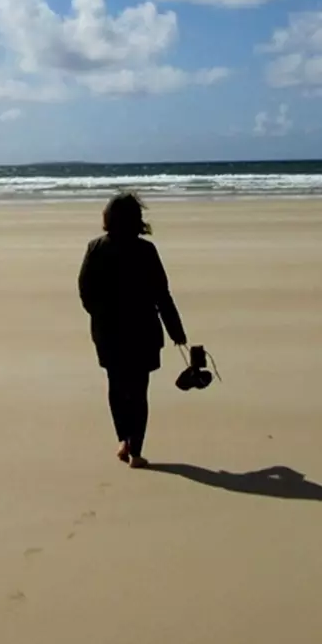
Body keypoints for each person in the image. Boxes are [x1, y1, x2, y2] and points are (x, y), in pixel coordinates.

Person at [77, 191, 188, 469]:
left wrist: (100, 315)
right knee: (139, 391)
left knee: (116, 386)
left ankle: (122, 439)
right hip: (143, 330)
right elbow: (162, 295)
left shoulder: (96, 248)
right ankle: (136, 451)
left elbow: (85, 291)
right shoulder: (146, 251)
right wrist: (177, 331)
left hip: (108, 332)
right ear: (136, 219)